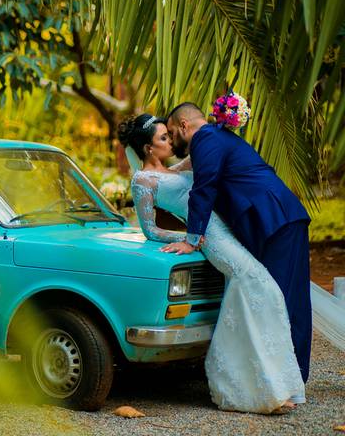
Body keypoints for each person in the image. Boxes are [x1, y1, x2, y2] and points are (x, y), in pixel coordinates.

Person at [118, 113, 304, 414]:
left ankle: (266, 384)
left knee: (253, 294)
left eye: (168, 135)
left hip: (227, 232)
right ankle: (258, 388)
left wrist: (227, 117)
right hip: (211, 240)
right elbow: (150, 229)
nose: (170, 141)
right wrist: (189, 237)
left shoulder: (177, 167)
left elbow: (205, 142)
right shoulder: (143, 180)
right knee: (260, 286)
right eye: (163, 138)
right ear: (148, 149)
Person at [164, 102, 311, 387]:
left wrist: (192, 240)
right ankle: (289, 376)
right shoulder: (215, 137)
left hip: (275, 219)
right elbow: (197, 166)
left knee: (283, 299)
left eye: (171, 133)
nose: (171, 140)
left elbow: (204, 187)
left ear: (184, 125)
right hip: (272, 220)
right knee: (281, 297)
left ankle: (291, 379)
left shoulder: (206, 139)